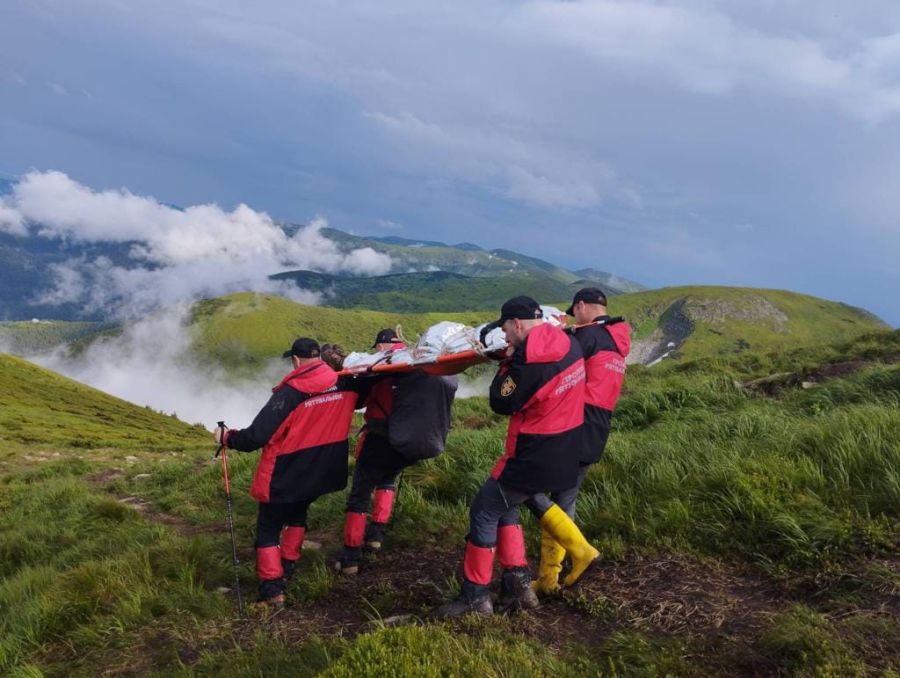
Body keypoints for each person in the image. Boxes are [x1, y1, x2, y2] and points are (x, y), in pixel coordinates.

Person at [434, 296, 600, 618]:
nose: (506, 337)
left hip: (535, 451)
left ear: (518, 324)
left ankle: (475, 598)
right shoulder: (569, 343)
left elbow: (500, 401)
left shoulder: (528, 361)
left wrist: (508, 362)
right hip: (565, 447)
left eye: (506, 330)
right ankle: (518, 587)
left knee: (484, 509)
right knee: (507, 508)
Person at [213, 338, 363, 607]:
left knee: (268, 528)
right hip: (321, 469)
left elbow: (255, 437)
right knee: (297, 514)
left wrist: (227, 437)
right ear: (319, 357)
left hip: (286, 471)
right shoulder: (344, 383)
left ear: (295, 360)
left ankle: (272, 589)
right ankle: (289, 566)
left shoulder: (290, 393)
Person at [530, 287, 632, 595]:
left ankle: (582, 551)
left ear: (583, 306)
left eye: (576, 312)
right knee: (565, 500)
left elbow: (554, 364)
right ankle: (550, 579)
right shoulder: (615, 338)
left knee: (526, 488)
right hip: (599, 426)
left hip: (575, 421)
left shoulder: (587, 338)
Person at [336, 329, 458, 574]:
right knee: (388, 481)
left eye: (377, 346)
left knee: (360, 493)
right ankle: (376, 536)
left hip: (379, 439)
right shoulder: (422, 360)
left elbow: (357, 401)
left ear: (383, 345)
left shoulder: (381, 367)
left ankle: (350, 557)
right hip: (409, 440)